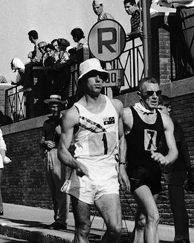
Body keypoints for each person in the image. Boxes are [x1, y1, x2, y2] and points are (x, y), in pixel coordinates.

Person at [58, 58, 128, 243]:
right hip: (84, 175)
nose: (98, 80)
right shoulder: (73, 113)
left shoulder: (116, 106)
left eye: (101, 76)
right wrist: (75, 164)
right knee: (83, 229)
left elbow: (121, 138)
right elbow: (62, 150)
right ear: (82, 81)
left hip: (108, 174)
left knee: (115, 229)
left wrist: (121, 166)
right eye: (93, 76)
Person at [122, 77, 178, 243]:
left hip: (154, 174)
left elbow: (173, 150)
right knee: (153, 216)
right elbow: (116, 140)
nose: (155, 96)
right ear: (140, 95)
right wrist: (119, 168)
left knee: (142, 221)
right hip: (135, 174)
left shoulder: (165, 119)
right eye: (150, 93)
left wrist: (166, 158)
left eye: (158, 93)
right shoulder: (127, 114)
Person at [159, 95, 194, 243]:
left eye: (161, 109)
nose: (158, 112)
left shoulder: (172, 124)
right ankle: (182, 236)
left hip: (176, 168)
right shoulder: (164, 124)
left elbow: (183, 146)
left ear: (169, 108)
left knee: (177, 203)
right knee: (176, 203)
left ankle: (181, 237)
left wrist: (189, 168)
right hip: (172, 169)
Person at [40, 94, 69, 230]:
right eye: (52, 105)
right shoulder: (47, 123)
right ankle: (57, 217)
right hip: (48, 155)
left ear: (61, 106)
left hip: (60, 154)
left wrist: (60, 135)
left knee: (60, 189)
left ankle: (62, 220)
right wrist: (44, 143)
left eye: (57, 105)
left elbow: (71, 141)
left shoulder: (65, 121)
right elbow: (41, 139)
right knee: (53, 189)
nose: (54, 108)